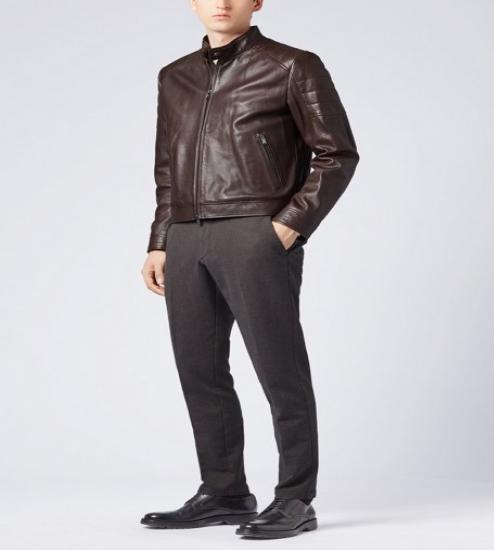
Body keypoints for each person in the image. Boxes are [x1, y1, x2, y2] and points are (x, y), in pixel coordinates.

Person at [140, 0, 359, 539]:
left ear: (257, 1)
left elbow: (336, 154)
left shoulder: (292, 65)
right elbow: (167, 168)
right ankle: (224, 492)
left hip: (254, 232)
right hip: (186, 235)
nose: (222, 3)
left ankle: (295, 498)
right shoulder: (174, 77)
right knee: (199, 369)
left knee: (280, 369)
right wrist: (160, 240)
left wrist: (286, 227)